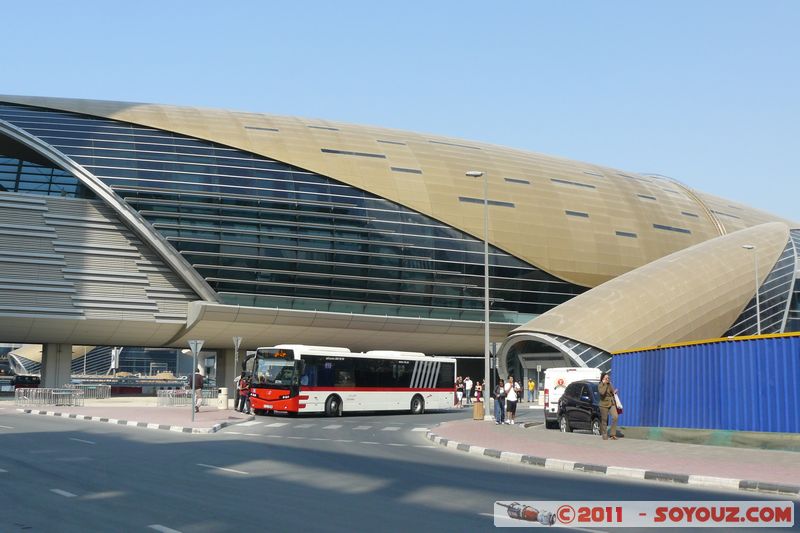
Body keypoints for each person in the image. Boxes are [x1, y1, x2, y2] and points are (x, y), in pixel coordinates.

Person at [598, 371, 619, 440]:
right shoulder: (600, 385)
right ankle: (604, 434)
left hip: (611, 403)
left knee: (615, 417)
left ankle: (612, 434)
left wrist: (614, 392)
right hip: (603, 404)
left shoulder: (610, 384)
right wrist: (604, 384)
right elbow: (602, 393)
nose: (608, 379)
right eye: (606, 378)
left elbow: (612, 392)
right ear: (603, 379)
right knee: (604, 420)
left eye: (608, 378)